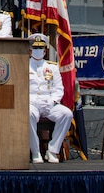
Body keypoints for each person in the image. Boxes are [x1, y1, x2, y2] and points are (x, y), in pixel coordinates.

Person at [28, 33, 73, 164]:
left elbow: (59, 89)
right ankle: (36, 151)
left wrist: (53, 101)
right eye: (35, 48)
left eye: (40, 48)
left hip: (49, 103)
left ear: (45, 50)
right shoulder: (24, 66)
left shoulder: (52, 68)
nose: (37, 51)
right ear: (30, 49)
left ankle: (53, 150)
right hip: (31, 103)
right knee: (28, 114)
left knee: (66, 114)